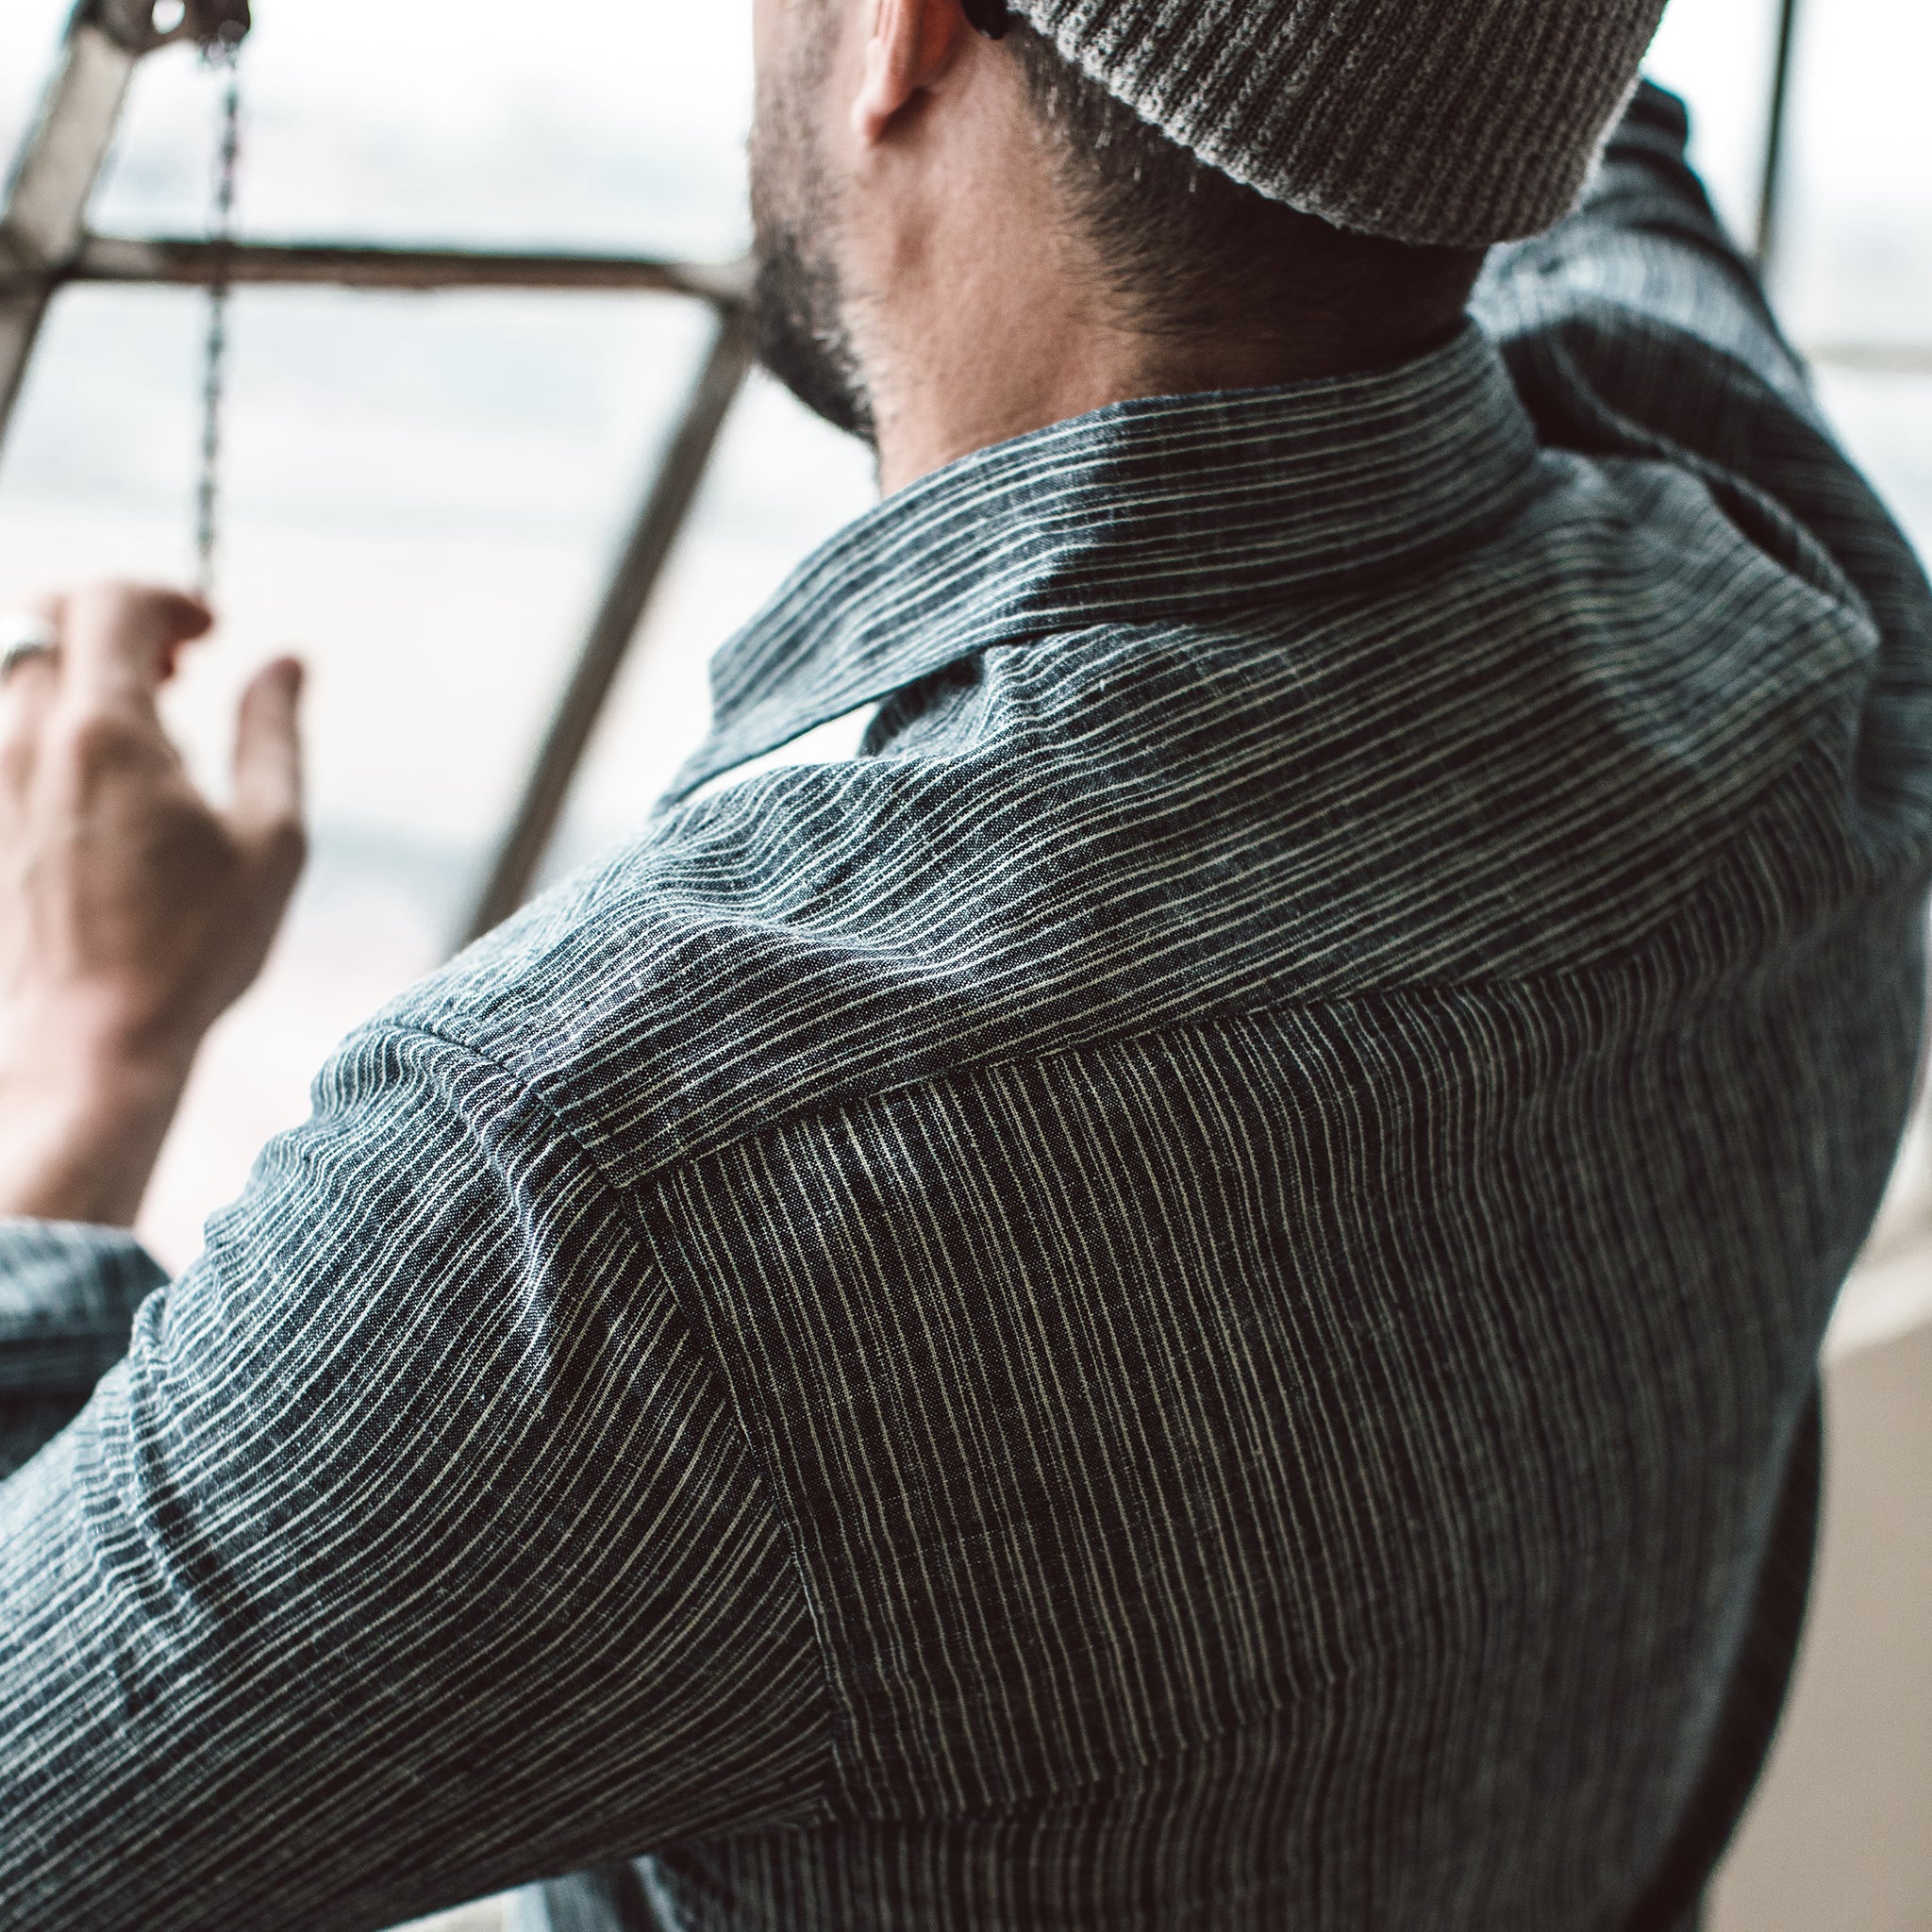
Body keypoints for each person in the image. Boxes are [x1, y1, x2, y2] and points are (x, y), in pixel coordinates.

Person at [2, 0, 1928, 1926]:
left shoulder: (616, 1192)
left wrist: (88, 1067)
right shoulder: (1798, 598)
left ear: (903, 38)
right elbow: (1550, 123)